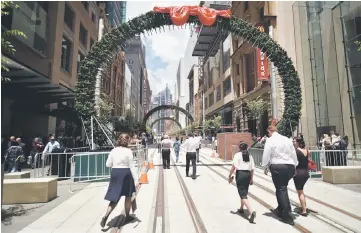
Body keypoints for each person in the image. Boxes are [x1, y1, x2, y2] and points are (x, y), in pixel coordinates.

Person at [262, 125, 298, 225]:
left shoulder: (270, 140)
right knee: (282, 187)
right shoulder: (287, 139)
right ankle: (280, 208)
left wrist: (264, 166)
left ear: (269, 131)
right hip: (289, 166)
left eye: (268, 132)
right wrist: (295, 165)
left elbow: (266, 154)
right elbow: (293, 153)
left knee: (281, 188)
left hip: (278, 166)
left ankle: (286, 214)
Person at [101, 134, 138, 228]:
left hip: (115, 172)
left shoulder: (113, 150)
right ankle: (127, 215)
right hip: (125, 173)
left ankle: (106, 216)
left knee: (114, 197)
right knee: (128, 196)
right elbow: (131, 166)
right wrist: (136, 178)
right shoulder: (128, 151)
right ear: (128, 141)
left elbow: (108, 164)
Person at [228, 142, 256, 223]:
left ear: (239, 148)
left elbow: (233, 167)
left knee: (242, 193)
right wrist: (251, 178)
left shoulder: (237, 155)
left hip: (240, 174)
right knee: (244, 192)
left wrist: (229, 175)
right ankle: (241, 208)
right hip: (247, 175)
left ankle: (251, 211)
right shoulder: (250, 156)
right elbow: (252, 169)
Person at [292, 137, 309, 216]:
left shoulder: (296, 151)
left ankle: (304, 210)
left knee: (300, 192)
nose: (293, 142)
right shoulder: (306, 150)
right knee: (301, 191)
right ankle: (303, 206)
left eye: (294, 141)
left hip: (298, 173)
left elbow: (293, 162)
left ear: (298, 142)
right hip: (306, 172)